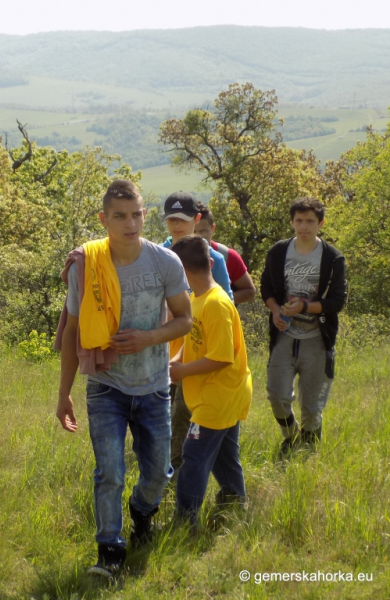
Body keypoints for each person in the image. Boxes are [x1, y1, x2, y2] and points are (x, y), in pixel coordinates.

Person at [54, 179, 192, 579]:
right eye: (119, 216)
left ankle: (142, 511)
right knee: (109, 471)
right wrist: (63, 393)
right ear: (104, 219)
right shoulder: (89, 264)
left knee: (157, 473)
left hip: (153, 385)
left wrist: (150, 337)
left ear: (144, 215)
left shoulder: (166, 263)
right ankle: (110, 550)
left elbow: (185, 319)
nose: (130, 224)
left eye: (136, 214)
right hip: (106, 384)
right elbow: (72, 334)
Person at [168, 236, 252, 527]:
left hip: (220, 394)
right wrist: (177, 359)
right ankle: (235, 503)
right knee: (224, 457)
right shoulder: (196, 298)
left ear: (181, 268)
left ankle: (183, 521)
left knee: (193, 456)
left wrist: (181, 372)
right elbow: (194, 341)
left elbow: (221, 357)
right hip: (212, 394)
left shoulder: (216, 303)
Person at [260, 197, 346, 455]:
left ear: (320, 223)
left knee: (312, 405)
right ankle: (290, 435)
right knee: (276, 394)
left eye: (310, 221)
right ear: (292, 222)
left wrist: (305, 307)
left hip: (317, 337)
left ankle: (308, 452)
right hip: (284, 334)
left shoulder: (332, 258)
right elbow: (265, 287)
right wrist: (276, 311)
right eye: (299, 220)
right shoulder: (278, 251)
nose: (304, 226)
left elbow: (337, 301)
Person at [160, 191, 233, 475]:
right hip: (163, 349)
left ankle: (176, 472)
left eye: (183, 219)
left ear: (197, 220)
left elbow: (224, 302)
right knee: (160, 415)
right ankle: (162, 465)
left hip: (197, 354)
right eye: (171, 220)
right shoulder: (157, 253)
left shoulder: (212, 258)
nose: (177, 226)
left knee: (182, 415)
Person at [194, 202, 256, 305]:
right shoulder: (177, 255)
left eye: (203, 231)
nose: (198, 237)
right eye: (194, 232)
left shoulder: (227, 256)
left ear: (213, 229)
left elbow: (249, 291)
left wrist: (219, 300)